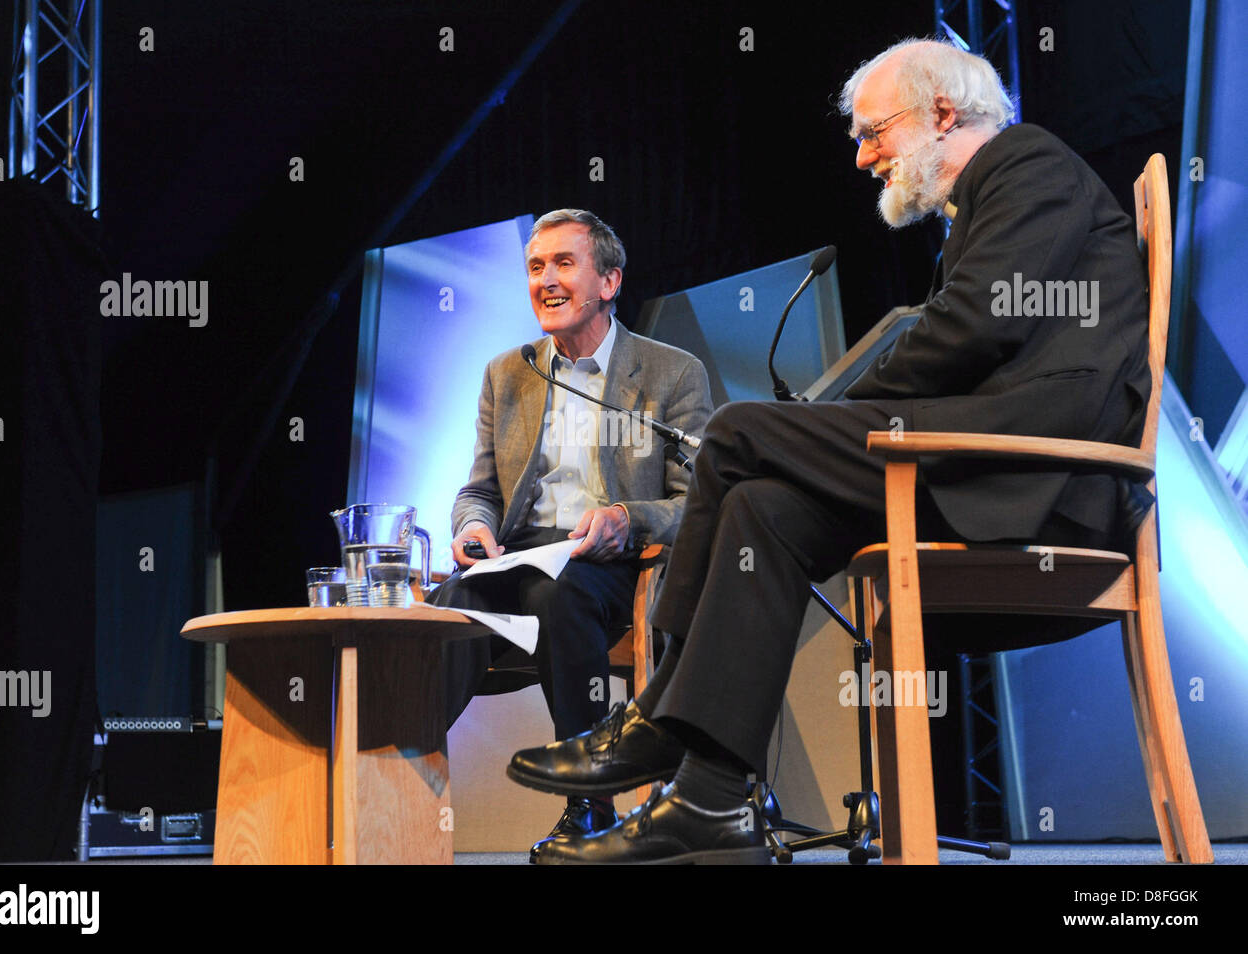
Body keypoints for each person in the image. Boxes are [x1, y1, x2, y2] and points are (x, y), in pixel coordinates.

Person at [508, 39, 1153, 864]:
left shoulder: (1027, 162)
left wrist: (821, 422)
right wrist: (816, 435)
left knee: (741, 434)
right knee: (760, 506)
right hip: (996, 457)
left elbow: (972, 331)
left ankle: (658, 708)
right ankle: (711, 801)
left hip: (1045, 474)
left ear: (943, 114)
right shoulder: (992, 200)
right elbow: (975, 339)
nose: (862, 156)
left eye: (874, 131)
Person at [433, 209, 712, 856]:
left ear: (609, 282)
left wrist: (627, 519)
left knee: (558, 598)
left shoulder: (672, 373)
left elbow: (699, 496)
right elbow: (479, 489)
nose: (545, 280)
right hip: (516, 557)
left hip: (607, 560)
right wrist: (473, 527)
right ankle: (393, 780)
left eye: (564, 263)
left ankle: (590, 806)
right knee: (446, 611)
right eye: (535, 267)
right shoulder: (508, 373)